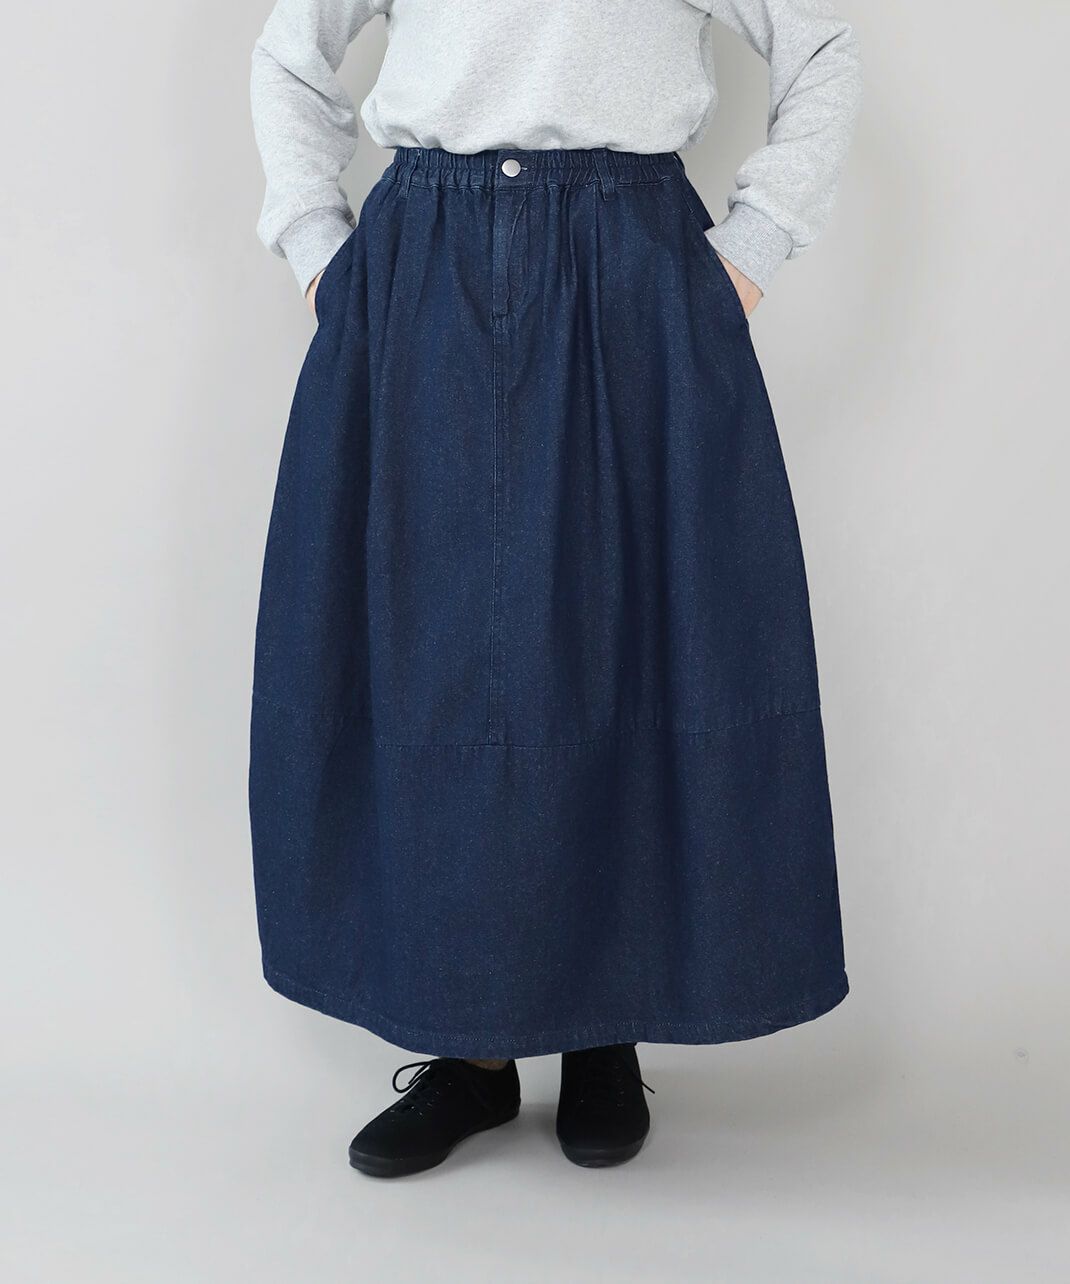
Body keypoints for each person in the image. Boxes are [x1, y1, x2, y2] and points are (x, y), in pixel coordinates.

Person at [248, 0, 862, 1178]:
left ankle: (600, 1033)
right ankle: (469, 1051)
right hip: (423, 264)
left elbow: (821, 44)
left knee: (619, 645)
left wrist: (753, 247)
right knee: (435, 663)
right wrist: (319, 250)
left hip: (628, 263)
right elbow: (289, 54)